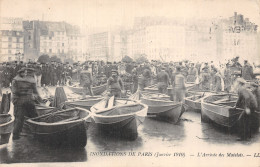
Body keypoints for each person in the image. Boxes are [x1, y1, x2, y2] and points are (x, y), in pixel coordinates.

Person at [11, 68, 42, 140]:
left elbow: (14, 91)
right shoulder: (31, 80)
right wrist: (40, 101)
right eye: (24, 73)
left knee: (19, 119)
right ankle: (37, 132)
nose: (25, 74)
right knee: (35, 117)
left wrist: (15, 101)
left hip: (20, 101)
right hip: (29, 100)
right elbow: (36, 92)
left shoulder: (15, 80)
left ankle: (15, 136)